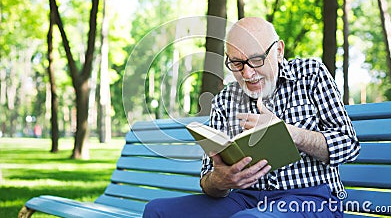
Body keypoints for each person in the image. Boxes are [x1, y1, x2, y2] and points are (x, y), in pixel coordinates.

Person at [143, 17, 360, 217]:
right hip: (244, 199)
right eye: (236, 63)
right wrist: (220, 180)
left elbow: (349, 146)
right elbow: (208, 179)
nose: (247, 74)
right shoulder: (224, 100)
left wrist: (289, 133)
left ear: (279, 51)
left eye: (256, 59)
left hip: (311, 197)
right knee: (157, 211)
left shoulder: (311, 74)